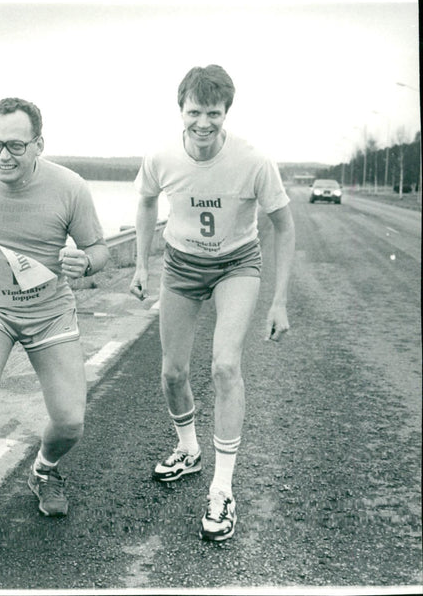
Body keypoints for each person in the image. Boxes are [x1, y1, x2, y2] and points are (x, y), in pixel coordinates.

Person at [129, 65, 295, 541]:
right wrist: (141, 264)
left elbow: (284, 226)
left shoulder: (253, 161)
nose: (203, 123)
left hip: (235, 265)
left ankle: (222, 490)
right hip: (181, 266)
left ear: (227, 114)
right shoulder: (162, 155)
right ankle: (188, 449)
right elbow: (144, 201)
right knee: (172, 372)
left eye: (214, 113)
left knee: (224, 367)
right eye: (194, 112)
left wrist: (279, 301)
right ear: (181, 111)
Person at [0, 97, 110, 547]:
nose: (3, 156)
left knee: (70, 420)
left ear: (39, 145)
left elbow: (99, 250)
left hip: (49, 310)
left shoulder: (69, 187)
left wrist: (84, 263)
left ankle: (44, 470)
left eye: (15, 145)